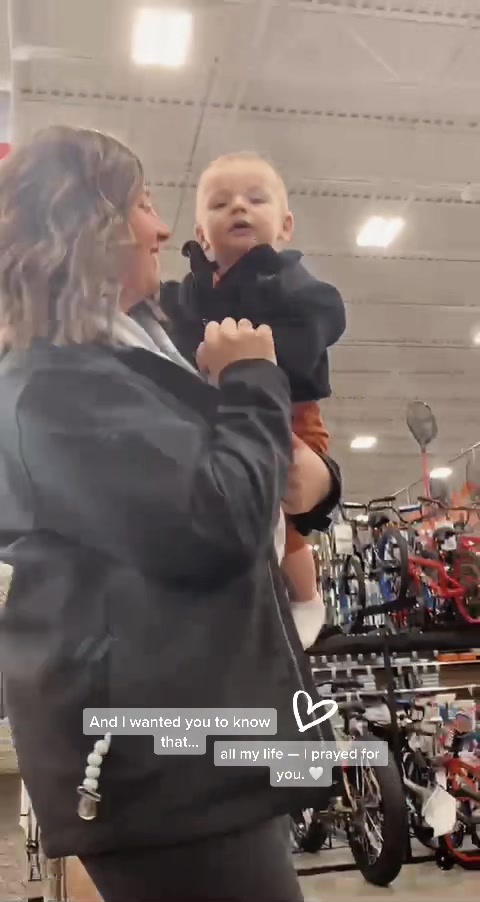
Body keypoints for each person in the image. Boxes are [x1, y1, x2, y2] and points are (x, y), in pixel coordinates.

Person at [0, 126, 341, 902]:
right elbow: (215, 524)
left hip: (195, 757)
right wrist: (254, 379)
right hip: (161, 774)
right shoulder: (56, 385)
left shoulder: (133, 357)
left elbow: (251, 484)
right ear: (86, 224)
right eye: (145, 204)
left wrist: (318, 481)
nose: (161, 229)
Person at [160, 151, 346, 649]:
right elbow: (169, 318)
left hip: (291, 411)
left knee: (285, 510)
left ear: (285, 225)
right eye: (220, 203)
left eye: (255, 199)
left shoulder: (291, 283)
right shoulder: (190, 291)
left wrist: (255, 356)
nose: (239, 208)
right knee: (236, 502)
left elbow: (324, 317)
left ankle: (306, 596)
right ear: (202, 234)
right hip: (223, 414)